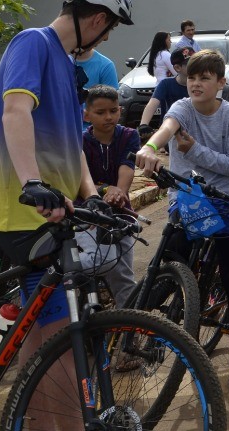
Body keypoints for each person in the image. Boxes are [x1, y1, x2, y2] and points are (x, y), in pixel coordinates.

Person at [0, 0, 133, 416]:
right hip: (27, 213)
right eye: (108, 31)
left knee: (43, 339)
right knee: (63, 343)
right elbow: (15, 112)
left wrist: (92, 194)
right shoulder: (33, 43)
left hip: (55, 213)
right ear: (98, 20)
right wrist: (32, 184)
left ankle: (22, 416)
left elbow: (70, 142)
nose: (104, 41)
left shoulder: (65, 62)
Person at [135, 49, 229, 391]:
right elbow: (166, 127)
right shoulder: (182, 108)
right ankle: (157, 327)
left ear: (220, 82)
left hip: (225, 199)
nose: (196, 83)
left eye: (205, 78)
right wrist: (150, 148)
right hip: (185, 198)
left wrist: (192, 151)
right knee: (167, 265)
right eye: (192, 77)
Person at [78, 85, 138, 305]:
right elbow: (77, 179)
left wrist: (120, 193)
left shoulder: (129, 135)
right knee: (103, 262)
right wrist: (104, 190)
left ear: (120, 111)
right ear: (86, 115)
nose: (108, 117)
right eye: (100, 112)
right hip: (86, 214)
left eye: (113, 111)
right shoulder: (80, 141)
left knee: (124, 278)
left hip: (120, 214)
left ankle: (130, 328)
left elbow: (127, 165)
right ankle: (60, 270)